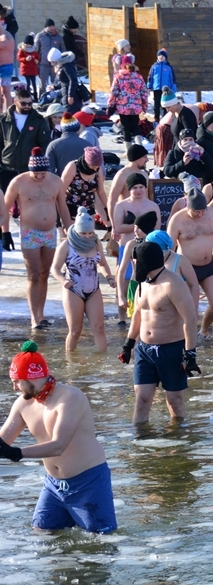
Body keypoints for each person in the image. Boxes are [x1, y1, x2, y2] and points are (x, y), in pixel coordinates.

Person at [0, 341, 117, 534]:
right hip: (53, 486)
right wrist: (6, 449)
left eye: (17, 381)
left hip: (88, 482)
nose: (14, 388)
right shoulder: (23, 404)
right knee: (42, 535)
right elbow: (3, 441)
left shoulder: (70, 397)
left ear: (31, 378)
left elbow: (58, 446)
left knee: (101, 542)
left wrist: (16, 453)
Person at [120, 241, 200, 424]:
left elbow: (190, 319)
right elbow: (138, 315)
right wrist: (128, 344)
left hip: (171, 350)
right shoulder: (142, 284)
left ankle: (178, 439)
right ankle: (140, 440)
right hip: (144, 350)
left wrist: (190, 354)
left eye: (137, 261)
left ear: (145, 262)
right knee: (141, 400)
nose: (135, 264)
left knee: (175, 401)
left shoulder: (172, 284)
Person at [5, 147, 69, 328]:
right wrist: (5, 233)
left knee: (44, 273)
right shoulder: (18, 182)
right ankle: (34, 318)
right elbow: (4, 209)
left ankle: (41, 314)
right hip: (29, 232)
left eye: (43, 173)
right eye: (36, 174)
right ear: (30, 169)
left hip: (50, 232)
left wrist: (69, 230)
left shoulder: (56, 181)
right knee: (33, 274)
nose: (40, 176)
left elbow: (63, 208)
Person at [50, 207, 114, 352]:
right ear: (77, 230)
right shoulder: (66, 245)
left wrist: (109, 277)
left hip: (93, 289)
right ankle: (69, 361)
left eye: (90, 233)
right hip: (73, 289)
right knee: (75, 330)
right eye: (83, 233)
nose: (87, 236)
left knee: (99, 328)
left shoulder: (95, 242)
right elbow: (55, 268)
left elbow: (103, 264)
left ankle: (101, 362)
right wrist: (63, 281)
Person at [167, 188, 213, 334]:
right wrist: (170, 273)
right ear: (188, 208)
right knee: (191, 310)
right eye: (197, 212)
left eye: (203, 211)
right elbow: (169, 249)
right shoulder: (177, 220)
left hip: (208, 266)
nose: (200, 214)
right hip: (187, 268)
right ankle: (183, 339)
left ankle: (204, 329)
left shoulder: (211, 213)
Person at [1, 88, 51, 192]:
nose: (27, 106)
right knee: (6, 199)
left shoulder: (39, 120)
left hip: (28, 168)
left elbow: (45, 144)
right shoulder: (3, 119)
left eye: (30, 103)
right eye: (23, 103)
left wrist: (37, 164)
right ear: (15, 102)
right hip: (6, 167)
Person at [108, 55, 148, 145]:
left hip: (123, 107)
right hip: (136, 107)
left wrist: (110, 105)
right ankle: (139, 147)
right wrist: (144, 106)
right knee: (135, 126)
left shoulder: (119, 77)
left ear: (121, 65)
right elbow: (144, 93)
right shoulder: (139, 77)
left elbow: (114, 92)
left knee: (125, 128)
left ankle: (128, 150)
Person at [60, 146, 106, 223]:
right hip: (72, 208)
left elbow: (101, 192)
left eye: (97, 167)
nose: (95, 169)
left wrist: (108, 209)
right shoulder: (73, 167)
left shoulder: (98, 169)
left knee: (89, 230)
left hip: (89, 208)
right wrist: (63, 214)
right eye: (93, 166)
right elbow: (60, 191)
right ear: (86, 162)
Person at [147, 49, 175, 121]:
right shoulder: (154, 66)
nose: (161, 57)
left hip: (166, 89)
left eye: (163, 56)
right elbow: (150, 77)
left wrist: (173, 89)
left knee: (165, 104)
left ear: (165, 57)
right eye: (159, 55)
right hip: (156, 88)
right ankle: (156, 119)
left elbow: (172, 79)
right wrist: (149, 87)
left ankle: (164, 119)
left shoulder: (168, 67)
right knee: (157, 104)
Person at [17, 34, 40, 101]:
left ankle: (35, 96)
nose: (27, 45)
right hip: (25, 70)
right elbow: (19, 58)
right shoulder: (22, 50)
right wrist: (25, 59)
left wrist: (37, 61)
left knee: (34, 84)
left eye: (29, 44)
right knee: (28, 83)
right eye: (26, 44)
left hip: (33, 70)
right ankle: (27, 96)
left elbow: (38, 58)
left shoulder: (34, 50)